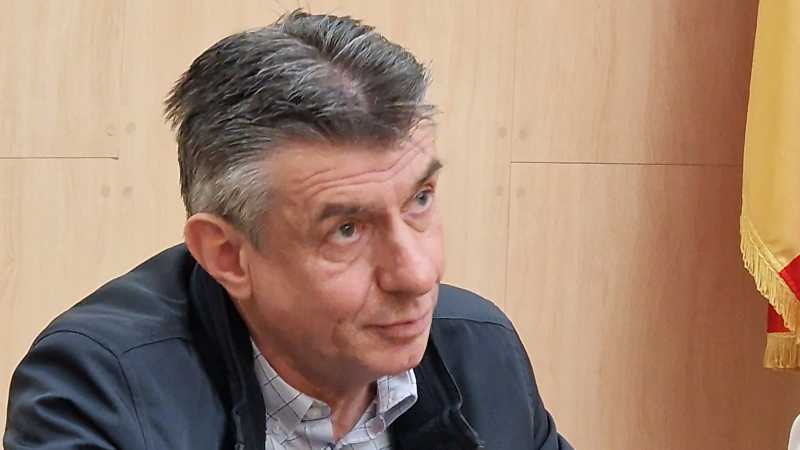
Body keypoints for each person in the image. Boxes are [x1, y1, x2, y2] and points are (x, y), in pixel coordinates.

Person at [4, 10, 571, 450]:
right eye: (347, 229)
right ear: (228, 255)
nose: (418, 275)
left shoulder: (480, 349)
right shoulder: (99, 389)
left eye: (419, 200)